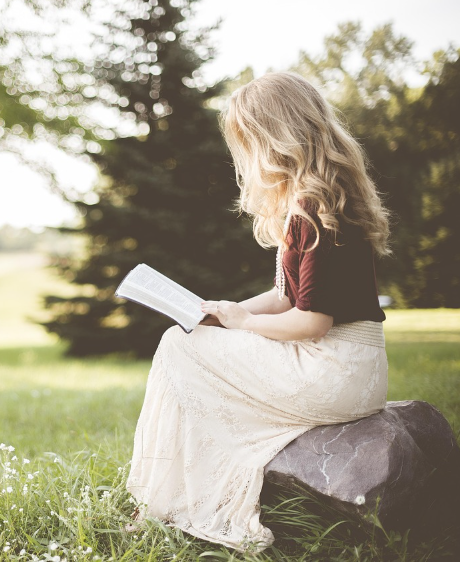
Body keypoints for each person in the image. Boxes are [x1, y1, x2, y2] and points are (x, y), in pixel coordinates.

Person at [124, 72, 391, 553]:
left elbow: (312, 322)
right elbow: (285, 296)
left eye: (248, 140)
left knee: (175, 346)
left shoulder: (313, 206)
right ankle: (170, 494)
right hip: (350, 367)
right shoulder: (320, 196)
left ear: (276, 136)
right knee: (188, 339)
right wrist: (223, 311)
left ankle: (165, 500)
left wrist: (243, 325)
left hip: (334, 368)